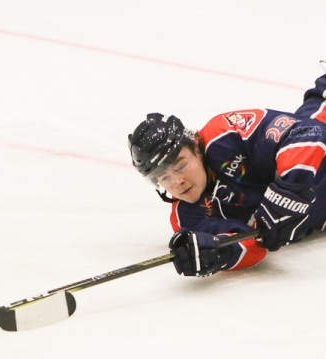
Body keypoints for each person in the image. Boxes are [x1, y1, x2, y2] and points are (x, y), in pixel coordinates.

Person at [128, 63, 326, 277]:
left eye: (181, 165)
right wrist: (218, 254)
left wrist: (288, 191)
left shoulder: (225, 134)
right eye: (164, 177)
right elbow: (251, 248)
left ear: (195, 146)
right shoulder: (188, 218)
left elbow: (309, 132)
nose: (178, 181)